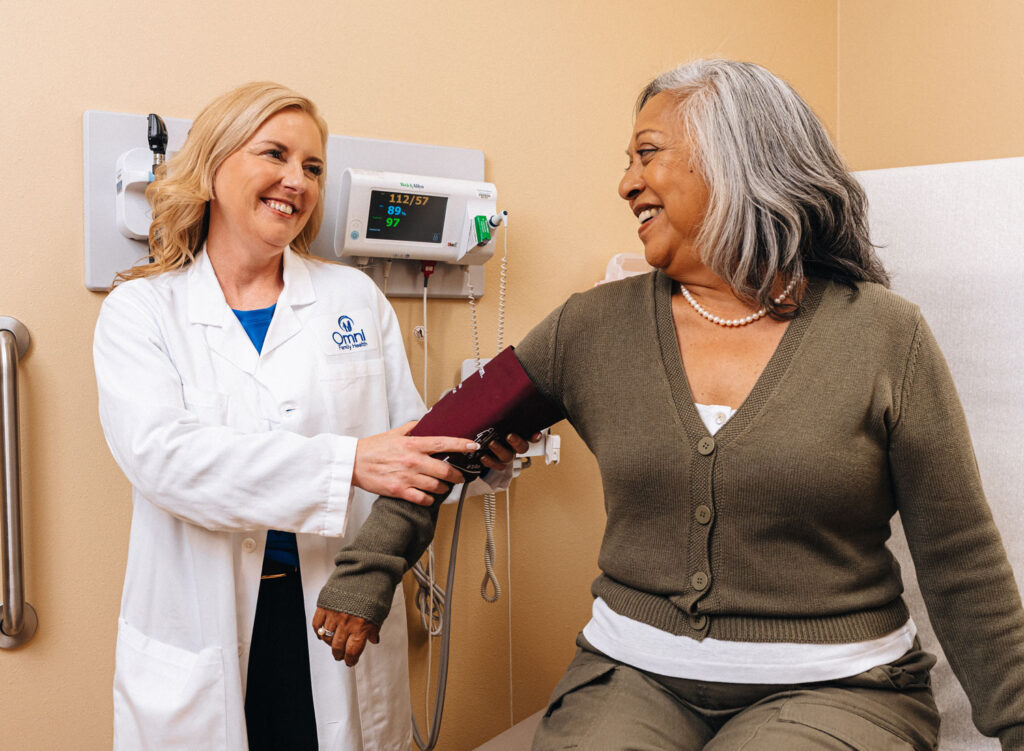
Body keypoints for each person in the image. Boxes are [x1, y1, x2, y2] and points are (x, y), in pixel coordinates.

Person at [314, 60, 1024, 750]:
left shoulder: (883, 334)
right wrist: (368, 569)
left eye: (647, 154)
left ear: (737, 160)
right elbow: (444, 436)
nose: (626, 183)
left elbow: (960, 556)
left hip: (840, 687)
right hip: (631, 678)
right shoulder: (591, 326)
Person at [93, 81, 525, 751]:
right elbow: (165, 460)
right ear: (212, 166)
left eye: (313, 167)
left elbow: (409, 450)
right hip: (206, 623)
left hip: (333, 611)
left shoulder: (352, 297)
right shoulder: (143, 311)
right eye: (275, 154)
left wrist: (481, 455)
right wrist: (349, 462)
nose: (297, 181)